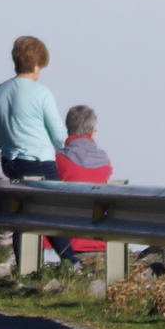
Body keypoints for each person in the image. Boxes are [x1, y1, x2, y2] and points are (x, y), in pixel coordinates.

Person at [0, 35, 78, 266]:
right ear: (37, 65)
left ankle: (24, 265)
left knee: (22, 211)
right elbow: (59, 135)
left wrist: (8, 145)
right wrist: (59, 146)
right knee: (51, 212)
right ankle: (71, 262)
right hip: (40, 162)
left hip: (11, 161)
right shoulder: (41, 92)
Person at [53, 104, 114, 256]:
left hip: (65, 240)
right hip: (98, 238)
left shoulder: (57, 159)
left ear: (67, 128)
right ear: (92, 131)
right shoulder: (105, 161)